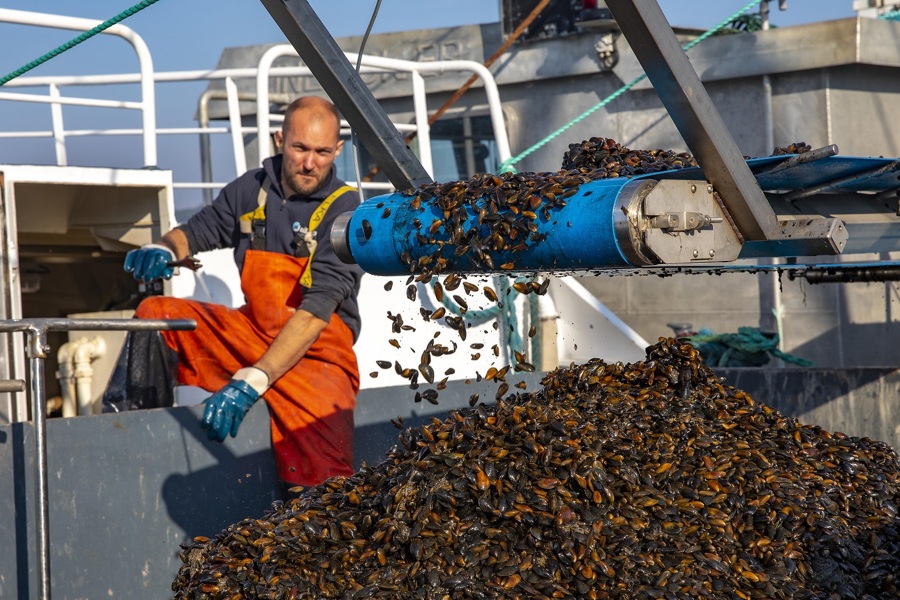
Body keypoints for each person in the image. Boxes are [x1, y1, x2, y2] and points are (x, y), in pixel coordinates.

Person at [104, 96, 363, 488]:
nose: (310, 163)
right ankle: (128, 441)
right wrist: (164, 248)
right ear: (280, 139)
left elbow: (316, 311)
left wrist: (252, 382)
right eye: (300, 148)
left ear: (338, 150)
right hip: (251, 335)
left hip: (318, 353)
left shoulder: (346, 211)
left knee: (325, 487)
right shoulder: (251, 190)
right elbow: (194, 232)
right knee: (156, 314)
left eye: (322, 152)